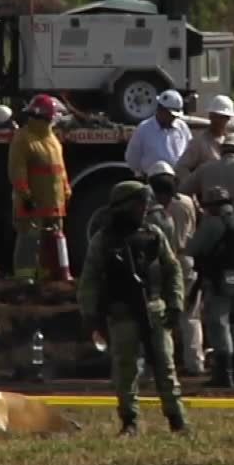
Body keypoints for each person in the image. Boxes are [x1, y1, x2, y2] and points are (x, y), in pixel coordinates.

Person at [77, 181, 188, 436]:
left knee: (165, 368)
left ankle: (177, 420)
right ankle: (130, 421)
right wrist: (90, 316)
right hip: (121, 312)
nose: (144, 208)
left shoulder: (153, 235)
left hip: (153, 308)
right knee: (125, 371)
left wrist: (175, 304)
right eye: (138, 204)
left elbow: (172, 270)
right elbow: (90, 280)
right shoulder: (103, 240)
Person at [185, 186, 234, 388]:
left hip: (224, 278)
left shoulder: (213, 223)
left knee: (219, 323)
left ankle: (225, 374)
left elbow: (193, 248)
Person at [147, 161, 203, 376]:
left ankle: (164, 362)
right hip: (187, 260)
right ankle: (195, 363)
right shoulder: (188, 202)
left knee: (162, 315)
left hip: (162, 263)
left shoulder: (151, 209)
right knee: (191, 315)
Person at [8, 94, 70, 282]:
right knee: (29, 241)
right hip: (33, 204)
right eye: (54, 116)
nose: (55, 120)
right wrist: (25, 196)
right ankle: (24, 279)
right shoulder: (23, 139)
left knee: (53, 243)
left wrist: (66, 190)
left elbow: (60, 170)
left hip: (54, 203)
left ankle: (49, 278)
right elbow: (17, 171)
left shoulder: (52, 139)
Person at [124, 90, 192, 175]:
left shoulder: (182, 127)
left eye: (175, 116)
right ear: (160, 110)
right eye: (170, 115)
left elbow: (190, 151)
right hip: (153, 179)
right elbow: (132, 157)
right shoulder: (144, 129)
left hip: (178, 178)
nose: (173, 118)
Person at [174, 94, 234, 177]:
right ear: (210, 116)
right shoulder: (199, 142)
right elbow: (181, 168)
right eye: (215, 116)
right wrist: (192, 184)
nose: (218, 121)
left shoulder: (232, 142)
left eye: (222, 117)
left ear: (228, 118)